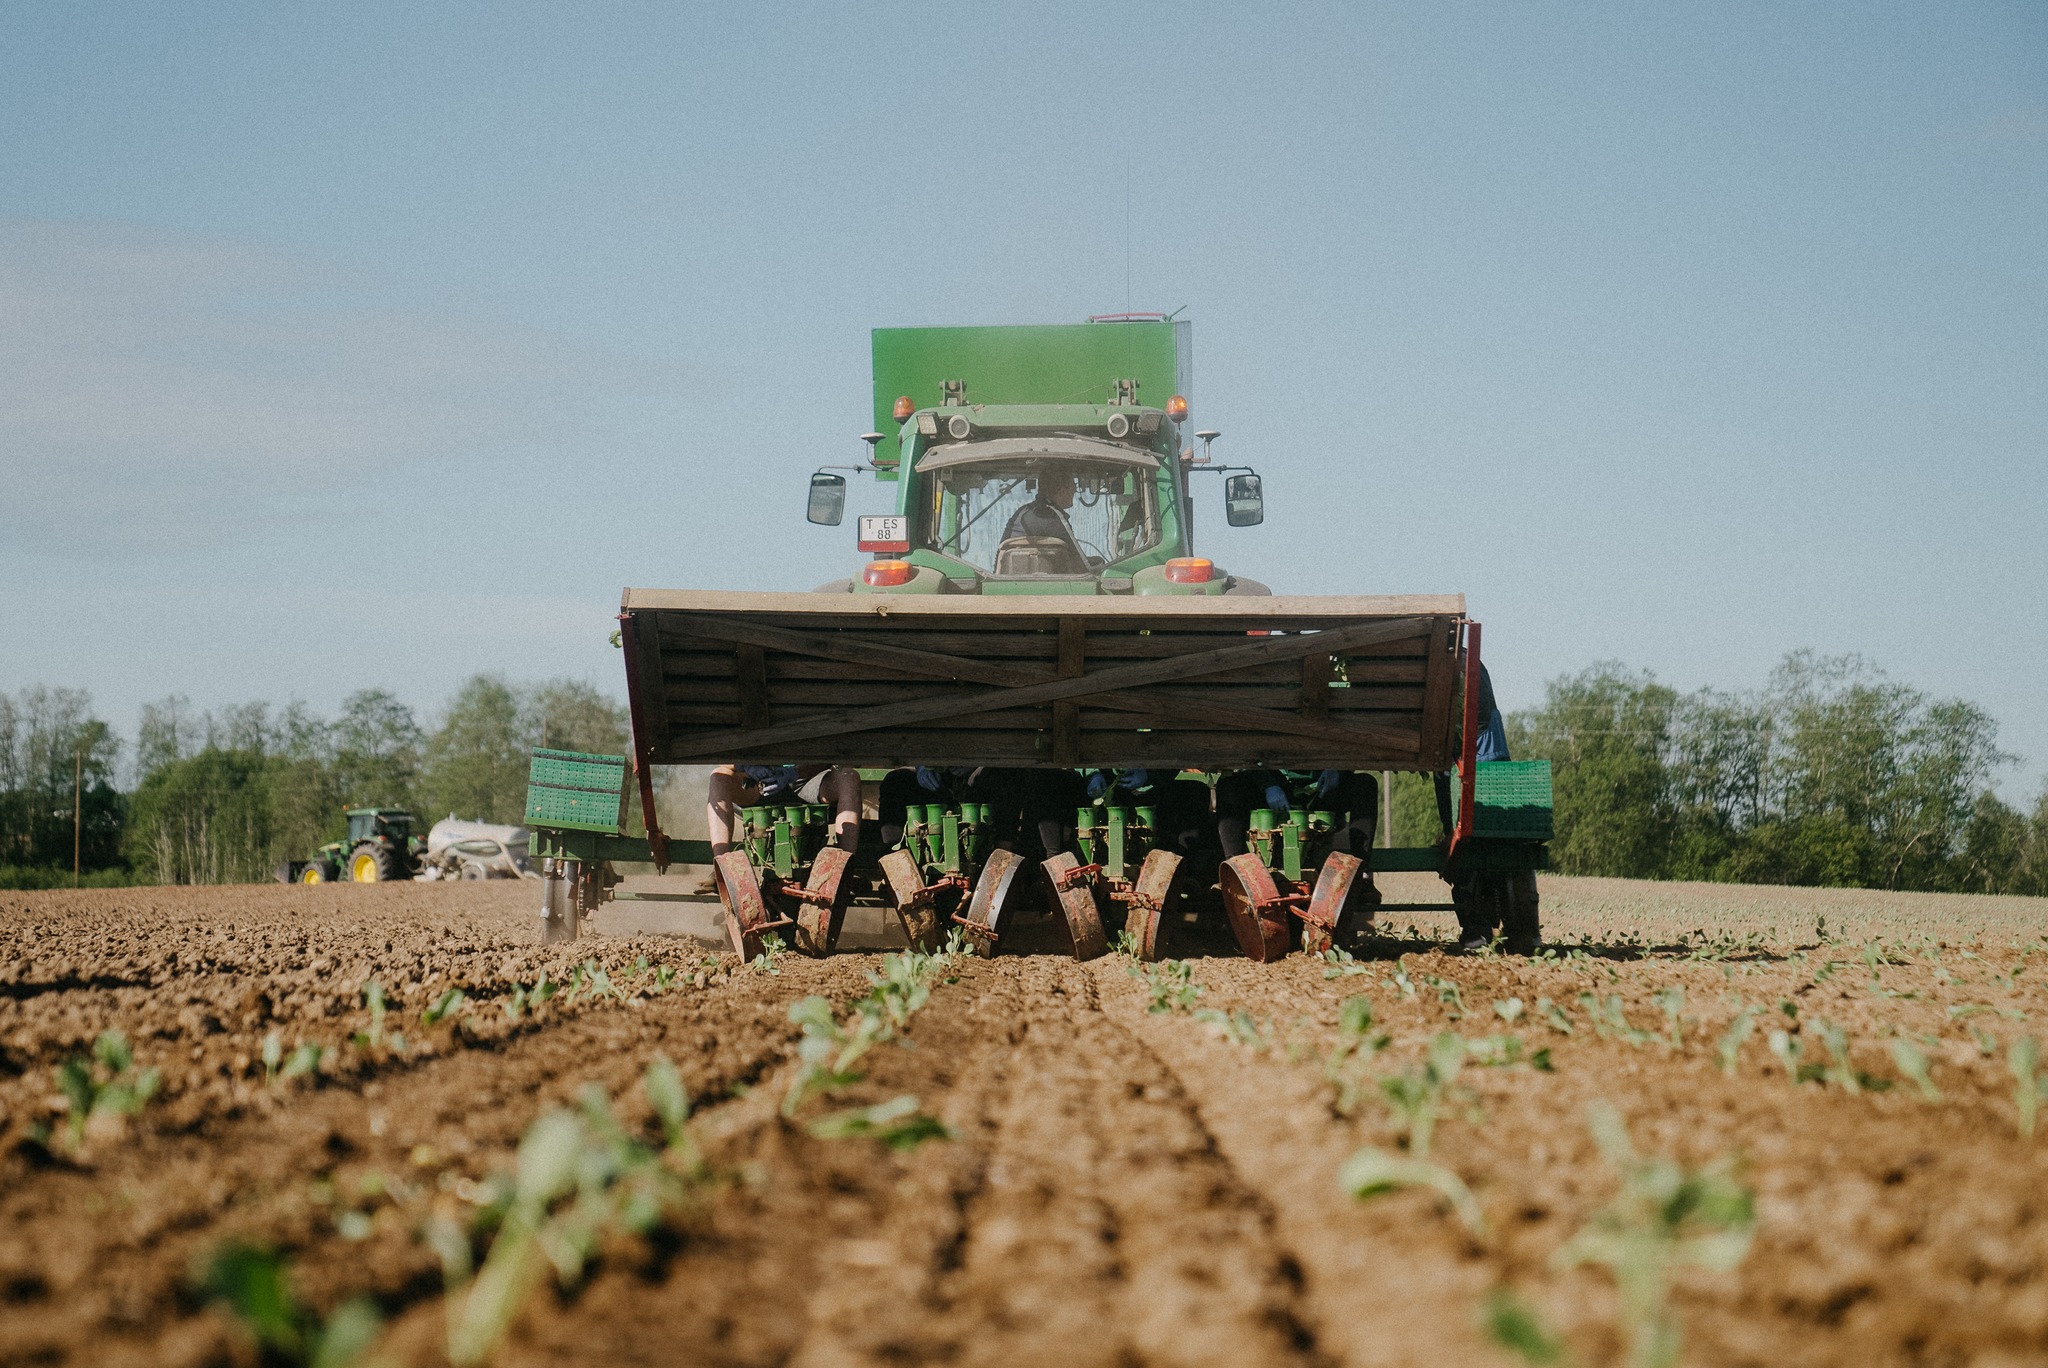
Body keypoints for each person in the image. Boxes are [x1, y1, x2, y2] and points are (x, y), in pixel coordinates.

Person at [706, 763, 861, 861]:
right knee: (718, 776)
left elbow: (832, 752)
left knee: (849, 777)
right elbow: (721, 753)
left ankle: (845, 867)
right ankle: (721, 866)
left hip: (807, 780)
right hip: (756, 784)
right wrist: (745, 766)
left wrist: (792, 773)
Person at [999, 470, 1089, 572]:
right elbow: (1081, 565)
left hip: (1009, 579)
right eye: (1074, 487)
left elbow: (999, 558)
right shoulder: (1053, 517)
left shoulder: (1020, 513)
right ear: (1062, 491)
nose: (1075, 491)